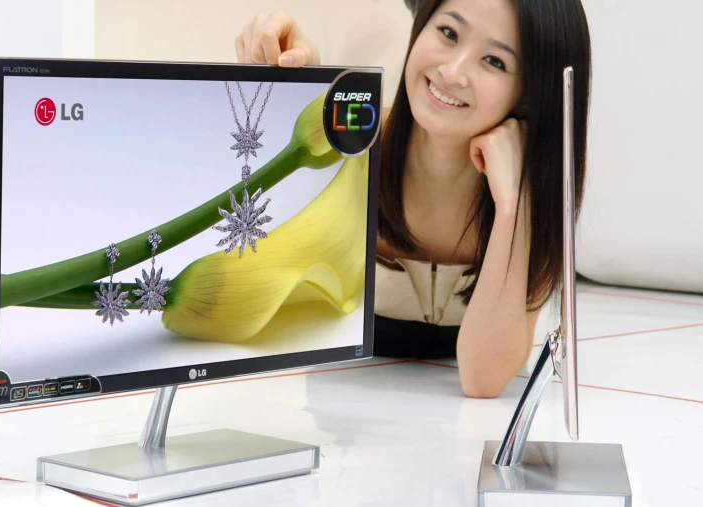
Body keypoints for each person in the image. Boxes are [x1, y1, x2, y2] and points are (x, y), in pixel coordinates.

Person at [233, 0, 591, 398]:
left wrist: (513, 204)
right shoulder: (360, 142)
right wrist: (297, 79)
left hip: (453, 427)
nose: (452, 73)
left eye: (494, 60)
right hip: (329, 400)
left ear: (531, 93)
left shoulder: (534, 191)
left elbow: (483, 380)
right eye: (449, 33)